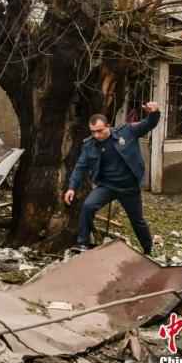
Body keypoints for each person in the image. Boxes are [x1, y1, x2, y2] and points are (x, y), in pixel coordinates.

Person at [64, 102, 161, 254]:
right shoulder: (89, 145)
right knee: (88, 206)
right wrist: (71, 188)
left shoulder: (127, 131)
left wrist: (154, 113)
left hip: (129, 187)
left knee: (137, 221)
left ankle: (148, 249)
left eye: (100, 131)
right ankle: (82, 243)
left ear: (108, 126)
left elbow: (149, 124)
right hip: (107, 186)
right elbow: (80, 167)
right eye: (93, 132)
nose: (96, 135)